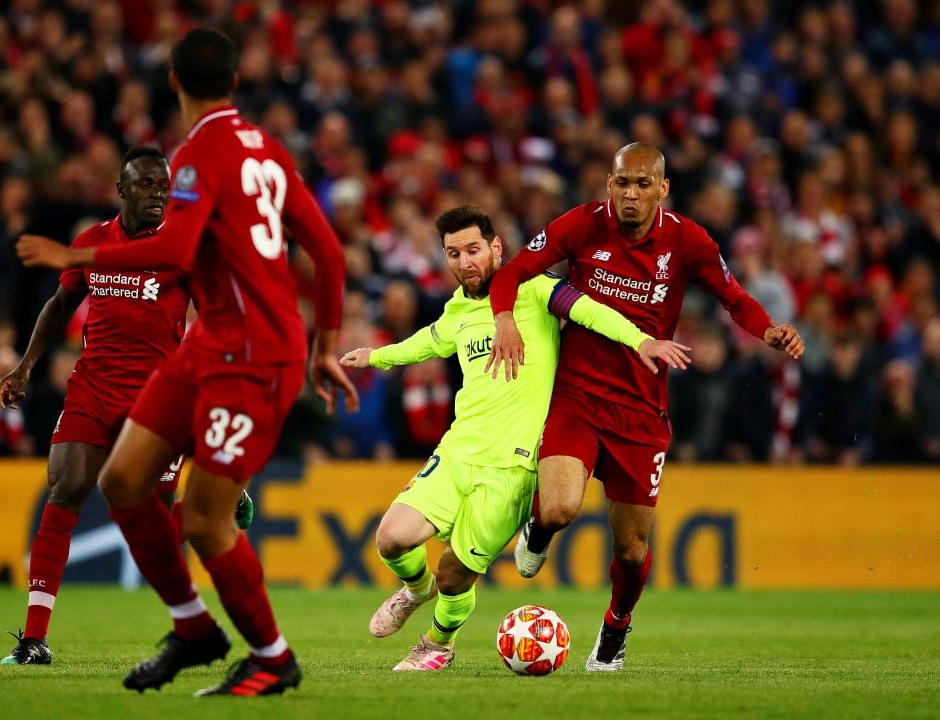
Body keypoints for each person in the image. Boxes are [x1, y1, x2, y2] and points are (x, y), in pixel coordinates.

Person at [16, 28, 358, 697]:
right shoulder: (268, 149)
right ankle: (195, 630)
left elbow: (173, 253)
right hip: (211, 346)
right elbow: (332, 255)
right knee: (122, 481)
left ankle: (272, 657)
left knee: (203, 520)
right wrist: (327, 342)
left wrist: (77, 257)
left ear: (173, 80)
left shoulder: (201, 151)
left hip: (253, 353)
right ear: (234, 80)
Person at [486, 142, 804, 672]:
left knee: (631, 550)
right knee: (561, 507)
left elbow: (734, 297)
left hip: (641, 410)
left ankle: (614, 632)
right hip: (578, 395)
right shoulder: (581, 225)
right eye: (620, 183)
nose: (629, 195)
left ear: (662, 189)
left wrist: (767, 328)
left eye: (641, 184)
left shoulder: (687, 240)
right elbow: (513, 270)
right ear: (608, 184)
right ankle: (539, 527)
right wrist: (503, 320)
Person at [340, 205, 690, 671]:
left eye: (473, 250)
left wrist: (641, 340)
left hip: (512, 468)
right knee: (390, 539)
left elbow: (590, 311)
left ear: (495, 247)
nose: (465, 262)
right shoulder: (458, 310)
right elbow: (427, 341)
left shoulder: (538, 291)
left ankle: (437, 645)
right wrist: (376, 357)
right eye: (453, 253)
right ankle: (414, 590)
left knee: (454, 574)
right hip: (459, 450)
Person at [0, 146, 197, 665]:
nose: (158, 194)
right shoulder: (92, 242)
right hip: (92, 388)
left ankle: (206, 512)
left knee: (152, 533)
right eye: (148, 185)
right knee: (64, 490)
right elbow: (60, 303)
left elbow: (217, 311)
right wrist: (25, 366)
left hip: (156, 402)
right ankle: (34, 638)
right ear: (123, 190)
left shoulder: (181, 246)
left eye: (164, 186)